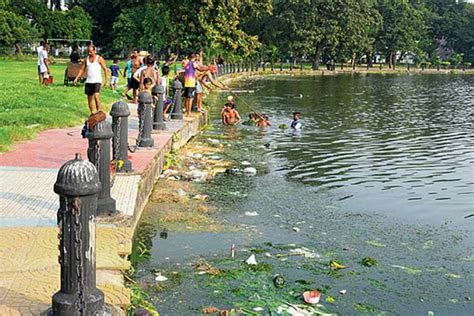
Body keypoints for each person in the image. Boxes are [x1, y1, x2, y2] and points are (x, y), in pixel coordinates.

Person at [74, 44, 108, 114]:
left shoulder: (99, 59)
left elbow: (105, 69)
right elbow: (82, 69)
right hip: (89, 81)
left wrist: (106, 81)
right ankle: (93, 113)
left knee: (96, 95)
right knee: (90, 99)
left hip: (97, 80)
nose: (89, 53)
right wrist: (77, 78)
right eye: (88, 52)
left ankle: (99, 111)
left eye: (91, 51)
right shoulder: (86, 59)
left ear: (94, 51)